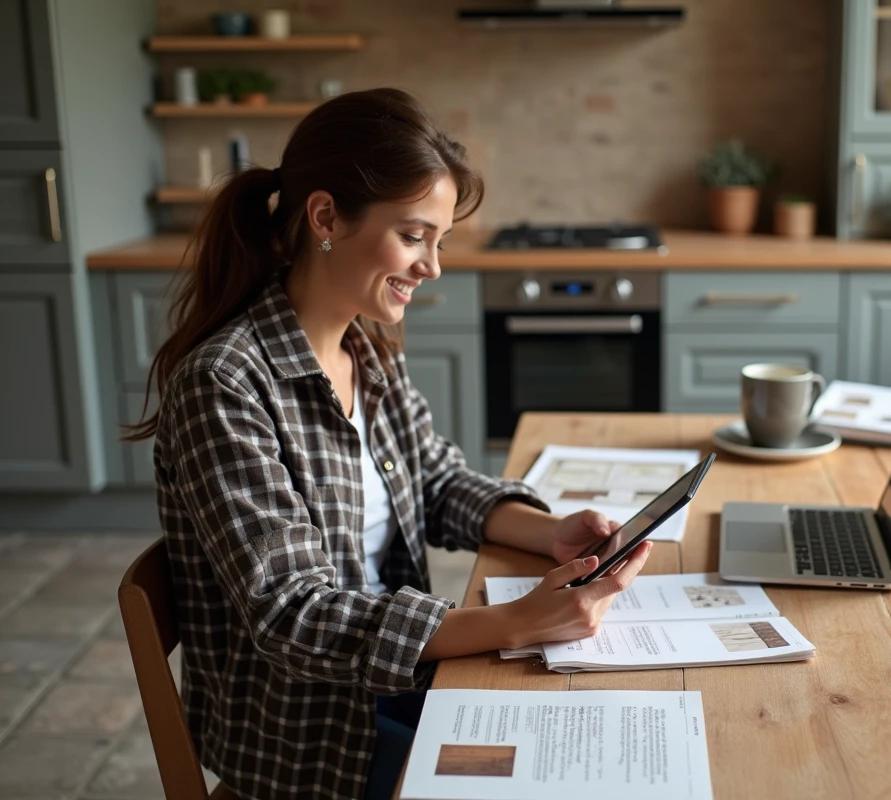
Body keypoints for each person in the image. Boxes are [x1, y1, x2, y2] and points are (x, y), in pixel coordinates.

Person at [125, 88, 653, 800]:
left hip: (389, 688)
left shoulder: (367, 349)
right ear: (325, 218)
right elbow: (291, 612)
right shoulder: (225, 385)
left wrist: (550, 530)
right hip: (311, 745)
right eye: (413, 235)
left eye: (439, 240)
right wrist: (511, 621)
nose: (431, 266)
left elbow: (434, 479)